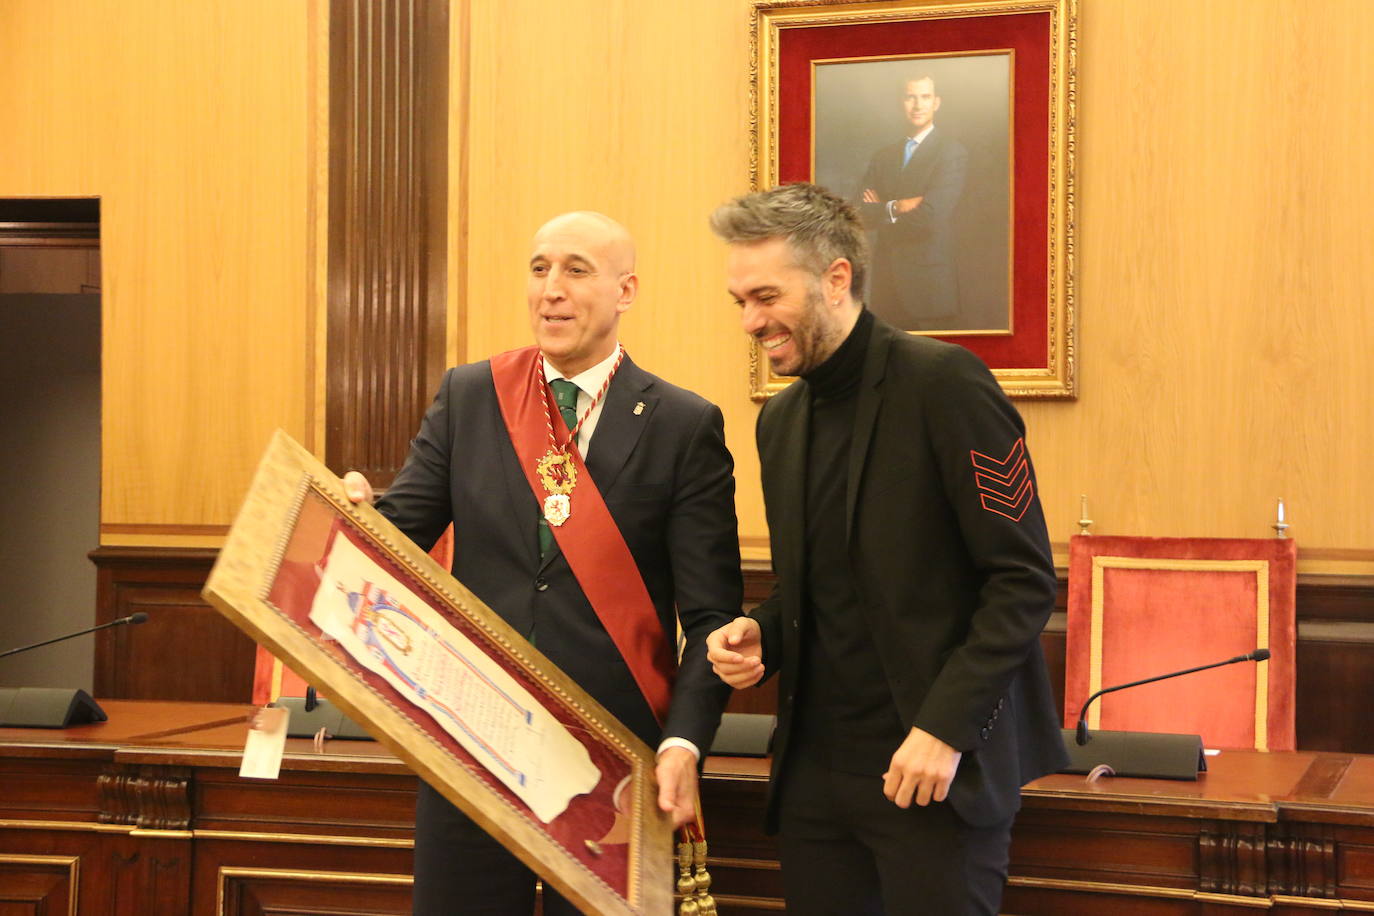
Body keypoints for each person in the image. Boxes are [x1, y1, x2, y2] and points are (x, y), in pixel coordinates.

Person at [344, 211, 741, 915]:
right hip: (473, 743)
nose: (551, 290)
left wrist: (684, 739)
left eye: (576, 270)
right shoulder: (473, 397)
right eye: (539, 268)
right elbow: (397, 537)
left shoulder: (683, 425)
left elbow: (711, 616)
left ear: (626, 291)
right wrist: (352, 515)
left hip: (611, 771)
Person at [706, 183, 1065, 915]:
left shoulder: (946, 383)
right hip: (814, 783)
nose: (750, 320)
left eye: (767, 296)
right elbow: (813, 588)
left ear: (836, 278)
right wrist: (760, 634)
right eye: (739, 301)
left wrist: (944, 729)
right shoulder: (781, 422)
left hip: (931, 775)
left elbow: (1022, 580)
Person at [855, 76, 968, 330]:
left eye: (925, 97)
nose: (918, 105)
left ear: (936, 102)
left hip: (929, 288)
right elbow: (860, 214)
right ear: (901, 102)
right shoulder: (883, 156)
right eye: (910, 97)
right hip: (887, 286)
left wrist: (881, 211)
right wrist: (896, 206)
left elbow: (930, 216)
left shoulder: (951, 152)